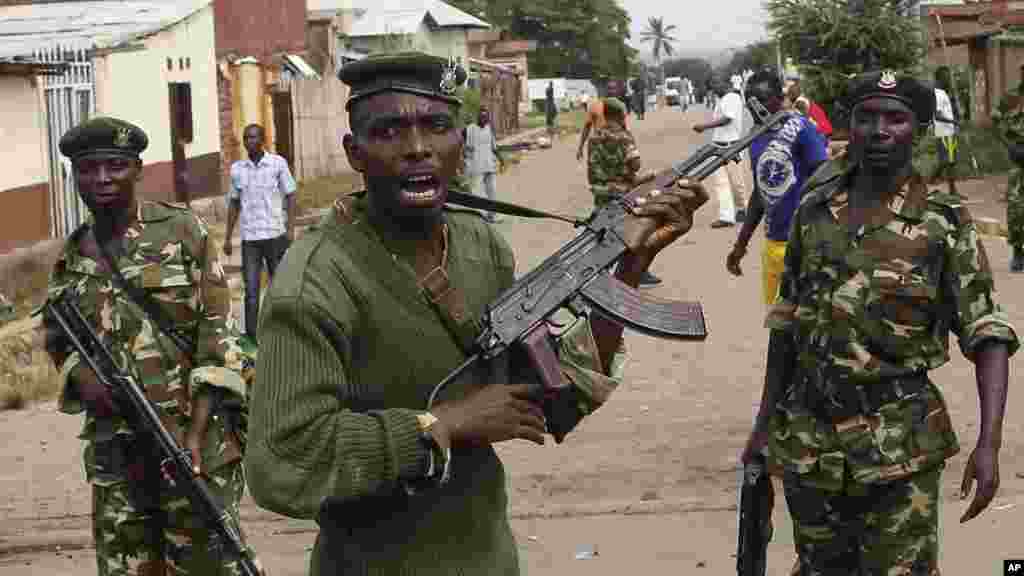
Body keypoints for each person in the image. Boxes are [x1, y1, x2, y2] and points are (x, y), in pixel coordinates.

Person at [242, 51, 707, 575]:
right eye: (389, 131)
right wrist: (443, 424)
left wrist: (629, 262)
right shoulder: (316, 281)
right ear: (355, 151)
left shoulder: (479, 245)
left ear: (459, 141)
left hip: (487, 558)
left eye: (436, 126)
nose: (417, 148)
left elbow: (547, 402)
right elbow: (281, 463)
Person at [740, 70, 1018, 575]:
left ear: (918, 129)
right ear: (849, 125)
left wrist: (989, 444)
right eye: (866, 117)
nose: (880, 129)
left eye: (896, 118)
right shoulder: (813, 211)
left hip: (900, 448)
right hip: (810, 443)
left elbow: (988, 333)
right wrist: (762, 426)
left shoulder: (943, 221)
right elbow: (787, 325)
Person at [41, 117, 258, 576]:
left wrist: (195, 436)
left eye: (115, 166)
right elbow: (56, 335)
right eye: (88, 168)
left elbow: (217, 338)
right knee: (128, 566)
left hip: (192, 443)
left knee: (209, 562)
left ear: (138, 169)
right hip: (117, 454)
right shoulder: (74, 254)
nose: (102, 178)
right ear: (74, 176)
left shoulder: (181, 232)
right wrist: (84, 380)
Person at [725, 69, 828, 307]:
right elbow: (761, 194)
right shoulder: (756, 137)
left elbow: (825, 179)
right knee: (777, 326)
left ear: (778, 99)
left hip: (805, 246)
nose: (753, 106)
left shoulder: (800, 128)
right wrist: (741, 245)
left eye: (760, 99)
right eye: (749, 100)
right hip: (774, 245)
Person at [224, 123, 297, 343]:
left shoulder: (277, 164)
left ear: (262, 140)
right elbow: (234, 204)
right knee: (251, 291)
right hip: (250, 239)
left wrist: (290, 229)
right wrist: (228, 237)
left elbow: (291, 194)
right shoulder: (238, 169)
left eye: (253, 137)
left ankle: (284, 332)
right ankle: (253, 337)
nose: (249, 142)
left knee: (280, 286)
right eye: (246, 138)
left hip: (275, 235)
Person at [585, 97, 662, 287]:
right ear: (620, 115)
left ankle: (594, 274)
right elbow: (635, 164)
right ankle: (638, 273)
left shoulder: (594, 137)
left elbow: (592, 168)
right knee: (634, 232)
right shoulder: (624, 136)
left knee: (603, 231)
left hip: (601, 192)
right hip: (623, 192)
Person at [694, 75, 749, 227]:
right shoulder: (722, 99)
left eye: (714, 86)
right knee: (721, 183)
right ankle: (726, 217)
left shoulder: (732, 98)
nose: (713, 90)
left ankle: (743, 209)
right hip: (718, 146)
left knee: (737, 183)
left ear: (722, 83)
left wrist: (704, 126)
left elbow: (727, 119)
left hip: (732, 147)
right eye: (711, 88)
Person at [994, 72, 1024, 272]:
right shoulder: (1010, 97)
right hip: (1019, 159)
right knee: (1016, 208)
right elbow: (995, 120)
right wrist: (1008, 145)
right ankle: (1018, 252)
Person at [463, 105, 505, 222]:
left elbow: (494, 147)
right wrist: (463, 159)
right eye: (481, 116)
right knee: (477, 192)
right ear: (477, 117)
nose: (483, 119)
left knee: (492, 191)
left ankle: (492, 215)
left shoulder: (489, 128)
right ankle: (480, 216)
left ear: (488, 118)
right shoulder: (470, 128)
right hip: (475, 166)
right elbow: (460, 141)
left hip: (488, 165)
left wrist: (502, 160)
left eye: (485, 117)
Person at [576, 79, 628, 162]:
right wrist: (580, 147)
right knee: (596, 173)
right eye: (609, 88)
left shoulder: (621, 106)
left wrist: (627, 147)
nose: (612, 91)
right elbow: (587, 127)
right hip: (599, 145)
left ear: (617, 90)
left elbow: (624, 127)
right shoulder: (594, 105)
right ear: (605, 90)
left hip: (616, 145)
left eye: (614, 88)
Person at [932, 66, 961, 196]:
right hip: (943, 132)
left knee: (950, 161)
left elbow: (949, 111)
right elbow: (937, 115)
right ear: (940, 78)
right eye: (947, 77)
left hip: (949, 131)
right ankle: (932, 178)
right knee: (947, 161)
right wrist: (953, 122)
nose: (949, 79)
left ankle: (952, 190)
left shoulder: (944, 93)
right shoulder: (937, 94)